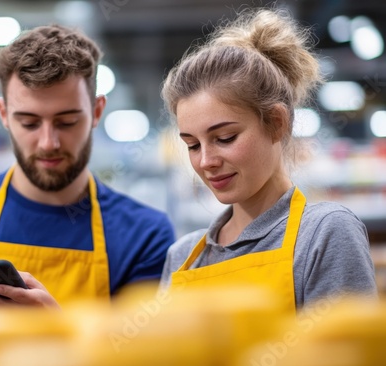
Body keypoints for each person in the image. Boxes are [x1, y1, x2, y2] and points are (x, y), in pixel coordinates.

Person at [0, 24, 175, 307]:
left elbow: (142, 353)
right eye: (29, 122)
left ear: (97, 111)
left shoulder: (144, 235)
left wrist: (54, 331)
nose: (48, 142)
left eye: (67, 122)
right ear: (3, 114)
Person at [158, 8, 377, 312]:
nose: (206, 161)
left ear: (277, 123)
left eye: (225, 138)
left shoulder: (323, 233)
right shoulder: (182, 257)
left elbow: (347, 355)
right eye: (193, 145)